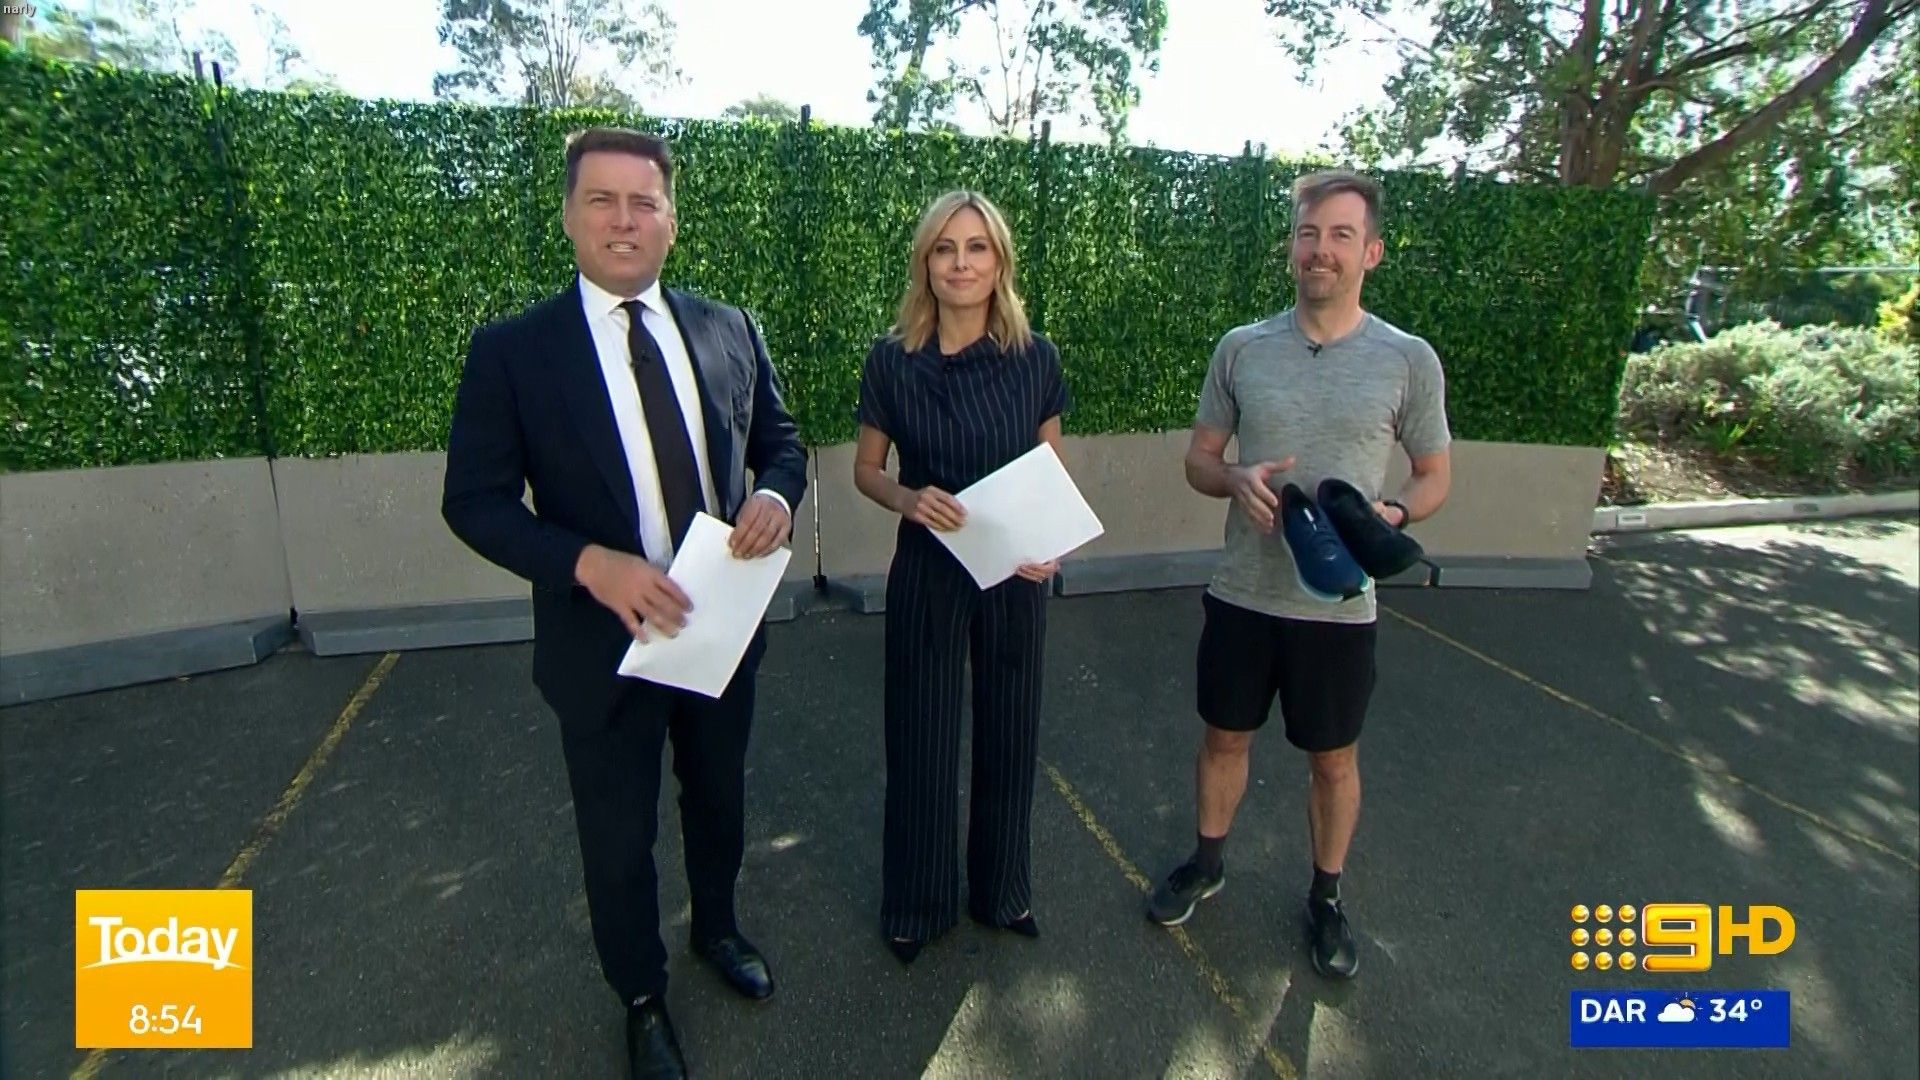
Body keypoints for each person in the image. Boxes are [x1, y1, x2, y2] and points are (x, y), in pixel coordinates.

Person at [441, 126, 808, 1078]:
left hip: (720, 633)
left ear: (671, 221)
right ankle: (641, 996)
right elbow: (473, 501)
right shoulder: (514, 352)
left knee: (719, 801)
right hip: (601, 647)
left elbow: (781, 442)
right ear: (568, 216)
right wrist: (587, 564)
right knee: (617, 839)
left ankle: (716, 929)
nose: (623, 219)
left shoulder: (729, 329)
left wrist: (776, 496)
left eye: (644, 202)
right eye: (601, 199)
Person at [1145, 169, 1452, 980]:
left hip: (1339, 609)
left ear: (1371, 252)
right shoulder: (1242, 348)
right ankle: (1207, 864)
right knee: (1223, 738)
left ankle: (1327, 898)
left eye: (1341, 235)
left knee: (1333, 760)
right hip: (1243, 595)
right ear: (1292, 247)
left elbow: (1434, 476)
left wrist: (1394, 514)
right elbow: (1199, 461)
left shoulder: (1407, 360)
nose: (1321, 250)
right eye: (1309, 234)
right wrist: (1233, 477)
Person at [852, 190, 1070, 965]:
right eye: (945, 249)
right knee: (921, 736)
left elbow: (1050, 471)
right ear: (925, 263)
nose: (961, 263)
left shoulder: (1035, 359)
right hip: (928, 568)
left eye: (976, 248)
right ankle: (918, 904)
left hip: (1012, 571)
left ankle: (1003, 893)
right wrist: (908, 499)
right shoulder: (892, 361)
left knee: (1011, 732)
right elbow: (867, 472)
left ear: (999, 261)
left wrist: (1050, 544)